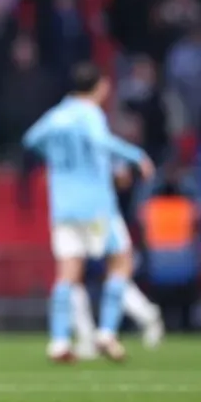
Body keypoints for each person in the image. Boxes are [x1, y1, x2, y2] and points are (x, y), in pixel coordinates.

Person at [22, 62, 154, 364]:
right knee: (121, 261)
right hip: (95, 204)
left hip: (63, 206)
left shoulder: (57, 115)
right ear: (100, 86)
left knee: (68, 273)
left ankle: (58, 341)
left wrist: (55, 158)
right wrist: (136, 156)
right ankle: (106, 332)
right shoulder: (90, 113)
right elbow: (98, 141)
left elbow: (31, 140)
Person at [71, 164, 164, 356]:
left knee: (110, 277)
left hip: (105, 224)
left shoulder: (104, 155)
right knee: (77, 277)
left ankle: (144, 316)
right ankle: (89, 335)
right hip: (88, 221)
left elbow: (124, 179)